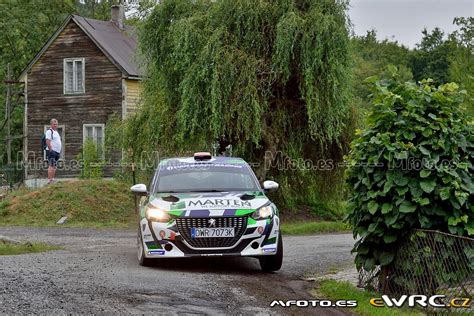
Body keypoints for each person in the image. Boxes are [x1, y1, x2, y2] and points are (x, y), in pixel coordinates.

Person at [45, 118, 62, 184]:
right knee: (51, 165)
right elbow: (47, 141)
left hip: (57, 152)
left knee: (54, 165)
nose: (55, 125)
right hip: (51, 151)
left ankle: (52, 179)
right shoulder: (49, 131)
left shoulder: (56, 132)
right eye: (54, 124)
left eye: (56, 124)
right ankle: (49, 180)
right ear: (51, 124)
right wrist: (51, 150)